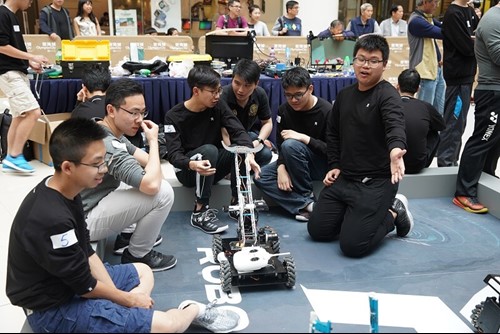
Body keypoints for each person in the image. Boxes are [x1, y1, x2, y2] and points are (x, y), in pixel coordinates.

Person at [6, 117, 241, 334]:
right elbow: (85, 286)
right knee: (169, 326)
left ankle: (128, 320)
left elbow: (86, 250)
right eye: (97, 164)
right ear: (68, 167)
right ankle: (193, 310)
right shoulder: (52, 219)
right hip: (54, 311)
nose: (104, 170)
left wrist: (118, 299)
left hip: (72, 286)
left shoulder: (65, 190)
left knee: (143, 271)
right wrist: (127, 300)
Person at [307, 34, 413, 258]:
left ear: (384, 65)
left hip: (375, 182)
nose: (366, 65)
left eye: (373, 60)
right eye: (361, 59)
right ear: (353, 60)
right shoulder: (345, 95)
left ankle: (394, 212)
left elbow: (395, 125)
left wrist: (395, 151)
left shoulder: (388, 96)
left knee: (353, 246)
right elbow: (333, 133)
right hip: (346, 178)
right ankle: (357, 216)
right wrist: (334, 164)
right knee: (317, 230)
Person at [80, 78, 176, 272]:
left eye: (142, 112)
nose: (139, 119)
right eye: (133, 113)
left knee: (148, 177)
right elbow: (151, 185)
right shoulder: (108, 144)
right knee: (162, 192)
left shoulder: (104, 128)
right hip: (84, 220)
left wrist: (153, 162)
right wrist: (154, 141)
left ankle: (127, 235)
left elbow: (146, 159)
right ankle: (137, 255)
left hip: (88, 203)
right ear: (111, 110)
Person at [164, 65, 260, 234]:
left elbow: (237, 130)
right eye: (213, 92)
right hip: (188, 171)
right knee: (209, 150)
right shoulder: (174, 116)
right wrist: (191, 164)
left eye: (219, 91)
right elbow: (173, 155)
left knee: (238, 150)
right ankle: (199, 211)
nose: (217, 96)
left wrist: (249, 153)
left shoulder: (218, 106)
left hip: (212, 167)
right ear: (196, 91)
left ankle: (237, 203)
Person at [253, 67, 330, 222]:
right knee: (261, 176)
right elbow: (280, 144)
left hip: (321, 165)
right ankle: (307, 206)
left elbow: (333, 151)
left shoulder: (327, 111)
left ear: (310, 89)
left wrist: (304, 138)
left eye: (298, 95)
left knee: (291, 145)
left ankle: (306, 194)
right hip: (292, 161)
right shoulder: (284, 110)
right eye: (288, 95)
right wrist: (281, 168)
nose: (293, 100)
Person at [453, 1, 500, 214]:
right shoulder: (492, 20)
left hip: (496, 91)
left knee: (495, 141)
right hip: (491, 91)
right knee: (483, 138)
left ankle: (486, 179)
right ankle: (464, 192)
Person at [220, 58, 273, 218]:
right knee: (238, 157)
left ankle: (243, 165)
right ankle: (237, 198)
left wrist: (259, 141)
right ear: (232, 79)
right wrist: (233, 154)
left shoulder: (260, 94)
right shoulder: (224, 95)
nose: (241, 90)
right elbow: (223, 130)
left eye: (247, 85)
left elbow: (268, 123)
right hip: (226, 141)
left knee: (266, 154)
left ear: (256, 84)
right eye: (237, 83)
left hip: (248, 138)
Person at [0, 0, 49, 173]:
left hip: (16, 72)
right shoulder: (2, 13)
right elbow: (1, 46)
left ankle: (10, 158)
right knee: (33, 112)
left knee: (18, 116)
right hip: (9, 74)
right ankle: (15, 156)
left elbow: (10, 48)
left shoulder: (11, 16)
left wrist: (28, 62)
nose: (30, 1)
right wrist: (31, 56)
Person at [437, 0, 479, 167]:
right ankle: (446, 164)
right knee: (453, 123)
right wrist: (474, 40)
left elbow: (478, 36)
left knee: (460, 124)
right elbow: (467, 47)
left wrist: (474, 40)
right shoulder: (453, 13)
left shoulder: (468, 10)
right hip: (458, 76)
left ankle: (452, 161)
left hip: (467, 76)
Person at [397, 69, 445, 174]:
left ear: (397, 86)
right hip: (415, 165)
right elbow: (441, 126)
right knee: (434, 133)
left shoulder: (387, 106)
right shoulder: (425, 107)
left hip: (389, 162)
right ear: (418, 89)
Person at [407, 0, 446, 116]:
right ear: (424, 2)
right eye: (435, 2)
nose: (437, 5)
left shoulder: (428, 18)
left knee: (438, 112)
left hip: (435, 69)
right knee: (424, 112)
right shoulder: (416, 21)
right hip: (424, 72)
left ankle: (436, 134)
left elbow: (445, 27)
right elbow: (443, 33)